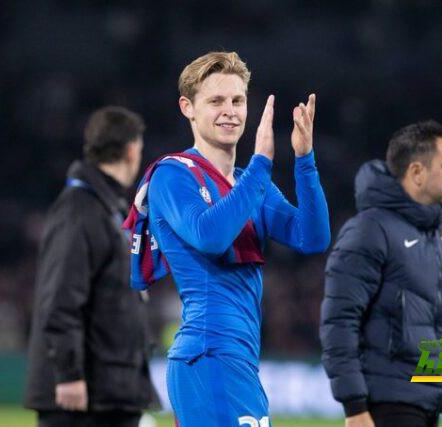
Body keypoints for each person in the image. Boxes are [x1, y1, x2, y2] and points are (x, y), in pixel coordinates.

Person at [125, 51, 330, 426]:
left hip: (236, 360)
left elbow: (312, 237)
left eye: (237, 100)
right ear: (187, 107)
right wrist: (261, 164)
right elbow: (210, 235)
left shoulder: (250, 183)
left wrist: (305, 160)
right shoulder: (173, 175)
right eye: (216, 101)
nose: (230, 111)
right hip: (207, 356)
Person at [320, 120, 442, 427]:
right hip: (385, 404)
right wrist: (354, 407)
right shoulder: (369, 230)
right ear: (416, 172)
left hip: (430, 400)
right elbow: (340, 321)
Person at [24, 106, 159, 427]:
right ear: (130, 151)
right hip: (85, 398)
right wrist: (69, 373)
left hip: (109, 392)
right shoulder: (80, 209)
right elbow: (59, 299)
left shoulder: (106, 208)